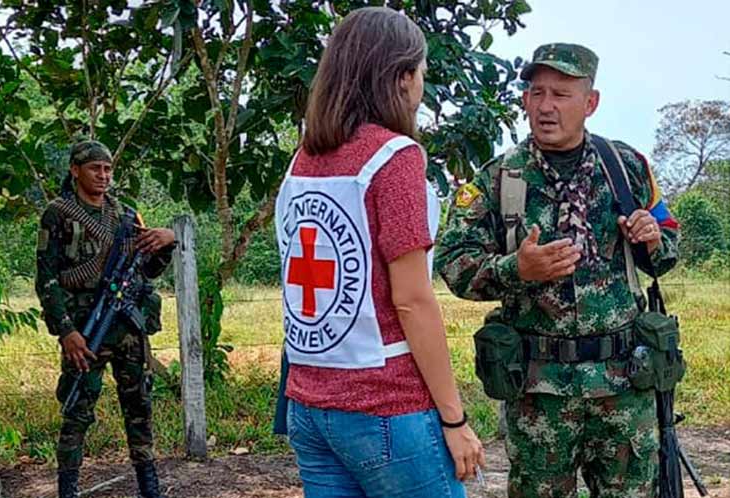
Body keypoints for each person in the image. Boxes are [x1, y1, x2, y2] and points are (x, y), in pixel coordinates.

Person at [437, 43, 680, 497]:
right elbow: (451, 261)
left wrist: (652, 239)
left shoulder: (626, 167)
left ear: (590, 102)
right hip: (539, 395)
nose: (546, 106)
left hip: (624, 387)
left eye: (561, 94)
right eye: (537, 93)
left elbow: (668, 242)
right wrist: (515, 269)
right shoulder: (499, 178)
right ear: (525, 100)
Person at [274, 7, 484, 498]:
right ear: (402, 77)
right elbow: (411, 300)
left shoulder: (303, 159)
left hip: (309, 405)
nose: (421, 86)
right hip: (386, 407)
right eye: (421, 73)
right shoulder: (395, 157)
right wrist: (454, 419)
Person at [35, 140, 176, 498]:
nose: (103, 175)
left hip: (127, 329)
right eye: (95, 168)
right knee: (77, 411)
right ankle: (68, 489)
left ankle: (149, 488)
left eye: (108, 169)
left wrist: (167, 241)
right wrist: (66, 331)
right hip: (85, 331)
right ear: (75, 170)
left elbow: (150, 269)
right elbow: (46, 278)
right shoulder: (58, 214)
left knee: (139, 408)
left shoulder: (126, 215)